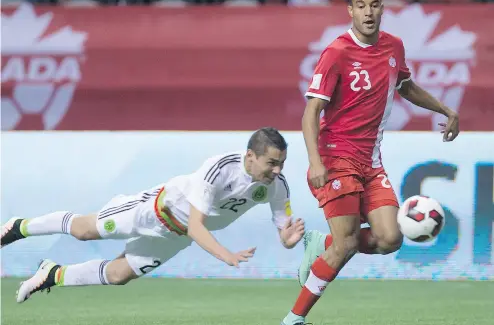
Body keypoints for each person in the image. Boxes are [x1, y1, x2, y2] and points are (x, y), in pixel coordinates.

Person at [279, 0, 460, 325]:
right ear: (350, 11)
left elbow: (404, 85)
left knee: (390, 237)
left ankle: (322, 245)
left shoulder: (393, 47)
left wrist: (444, 108)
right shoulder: (336, 53)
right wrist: (315, 162)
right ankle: (292, 321)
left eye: (374, 5)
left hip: (371, 162)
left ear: (381, 9)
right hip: (335, 158)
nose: (368, 12)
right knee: (347, 245)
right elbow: (310, 112)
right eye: (360, 5)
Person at [1, 127, 305, 303]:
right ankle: (19, 227)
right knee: (84, 230)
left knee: (119, 275)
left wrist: (287, 239)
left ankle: (52, 274)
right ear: (251, 156)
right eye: (271, 163)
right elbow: (197, 226)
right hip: (156, 211)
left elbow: (283, 226)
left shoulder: (277, 186)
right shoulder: (220, 168)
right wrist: (225, 255)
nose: (277, 170)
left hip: (176, 238)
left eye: (281, 163)